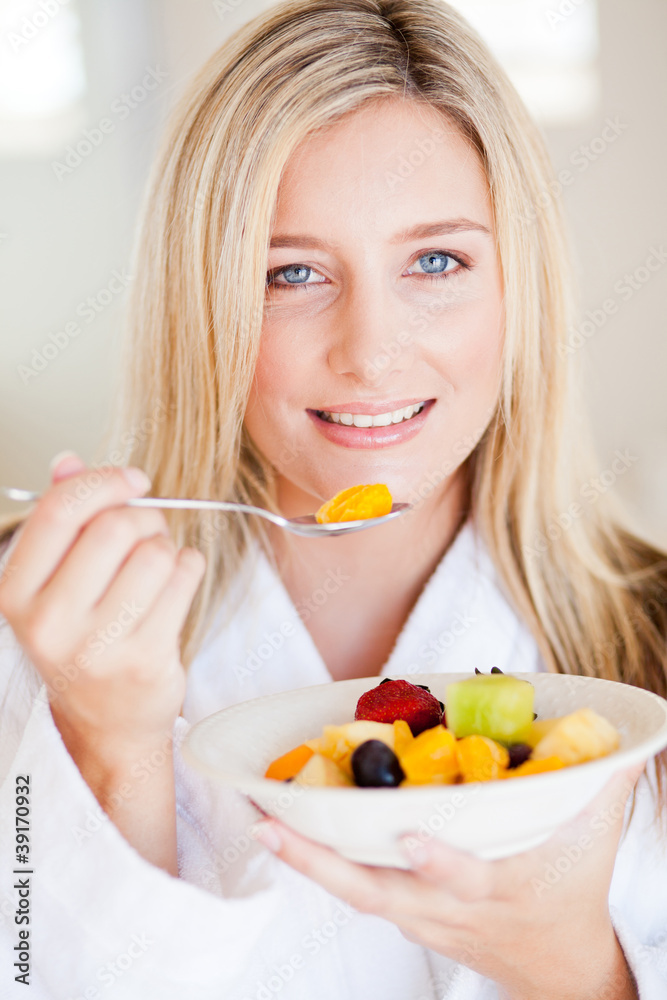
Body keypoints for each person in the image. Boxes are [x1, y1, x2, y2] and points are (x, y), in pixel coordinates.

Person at [0, 1, 665, 997]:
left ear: (517, 288)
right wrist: (108, 746)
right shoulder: (43, 628)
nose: (370, 353)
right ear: (202, 302)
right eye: (293, 272)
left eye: (435, 261)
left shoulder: (649, 640)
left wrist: (573, 969)